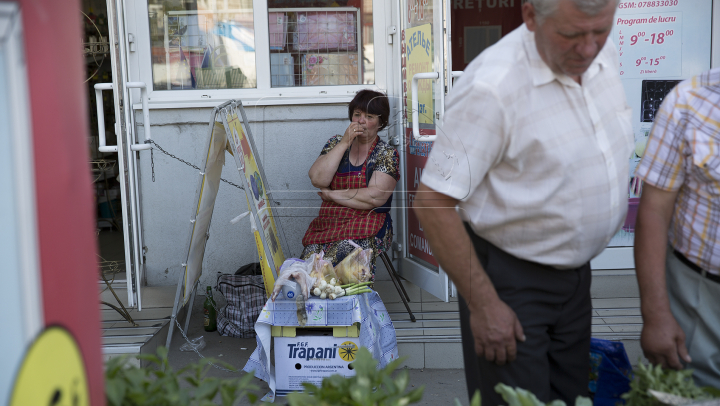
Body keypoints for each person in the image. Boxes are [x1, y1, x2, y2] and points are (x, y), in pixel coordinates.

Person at [412, 0, 633, 403]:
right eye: (570, 35)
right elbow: (432, 203)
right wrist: (483, 303)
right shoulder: (492, 86)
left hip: (575, 277)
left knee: (571, 396)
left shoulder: (600, 47)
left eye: (599, 32)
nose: (588, 49)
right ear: (531, 16)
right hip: (510, 282)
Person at [633, 69, 720, 388]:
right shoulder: (688, 101)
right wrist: (655, 314)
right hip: (700, 295)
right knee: (692, 392)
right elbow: (653, 211)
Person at [301, 90, 399, 277]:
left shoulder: (385, 154)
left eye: (369, 116)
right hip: (328, 223)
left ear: (381, 122)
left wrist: (332, 195)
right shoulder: (335, 143)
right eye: (357, 114)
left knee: (343, 262)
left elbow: (374, 197)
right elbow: (317, 179)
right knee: (310, 267)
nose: (361, 121)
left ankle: (349, 305)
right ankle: (320, 306)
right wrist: (345, 142)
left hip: (368, 223)